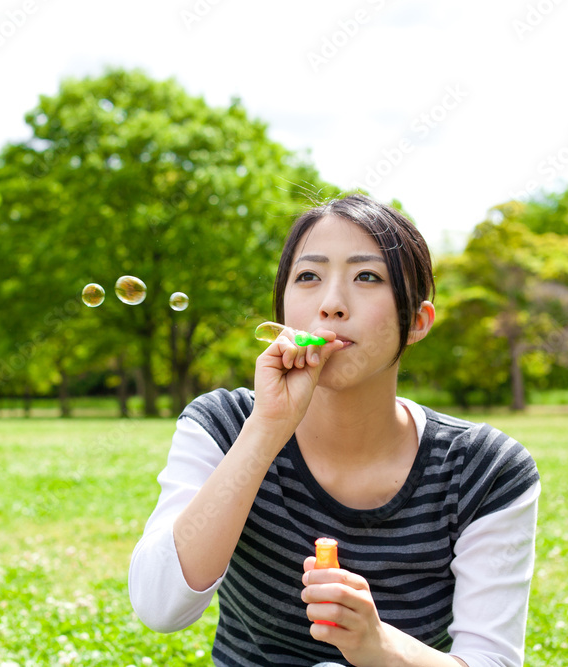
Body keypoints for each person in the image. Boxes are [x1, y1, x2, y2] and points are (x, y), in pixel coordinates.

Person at [128, 193, 540, 667]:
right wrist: (266, 430)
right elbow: (159, 607)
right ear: (282, 311)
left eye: (367, 276)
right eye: (308, 277)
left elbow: (494, 661)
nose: (331, 304)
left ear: (418, 322)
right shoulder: (223, 426)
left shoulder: (485, 469)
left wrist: (377, 646)